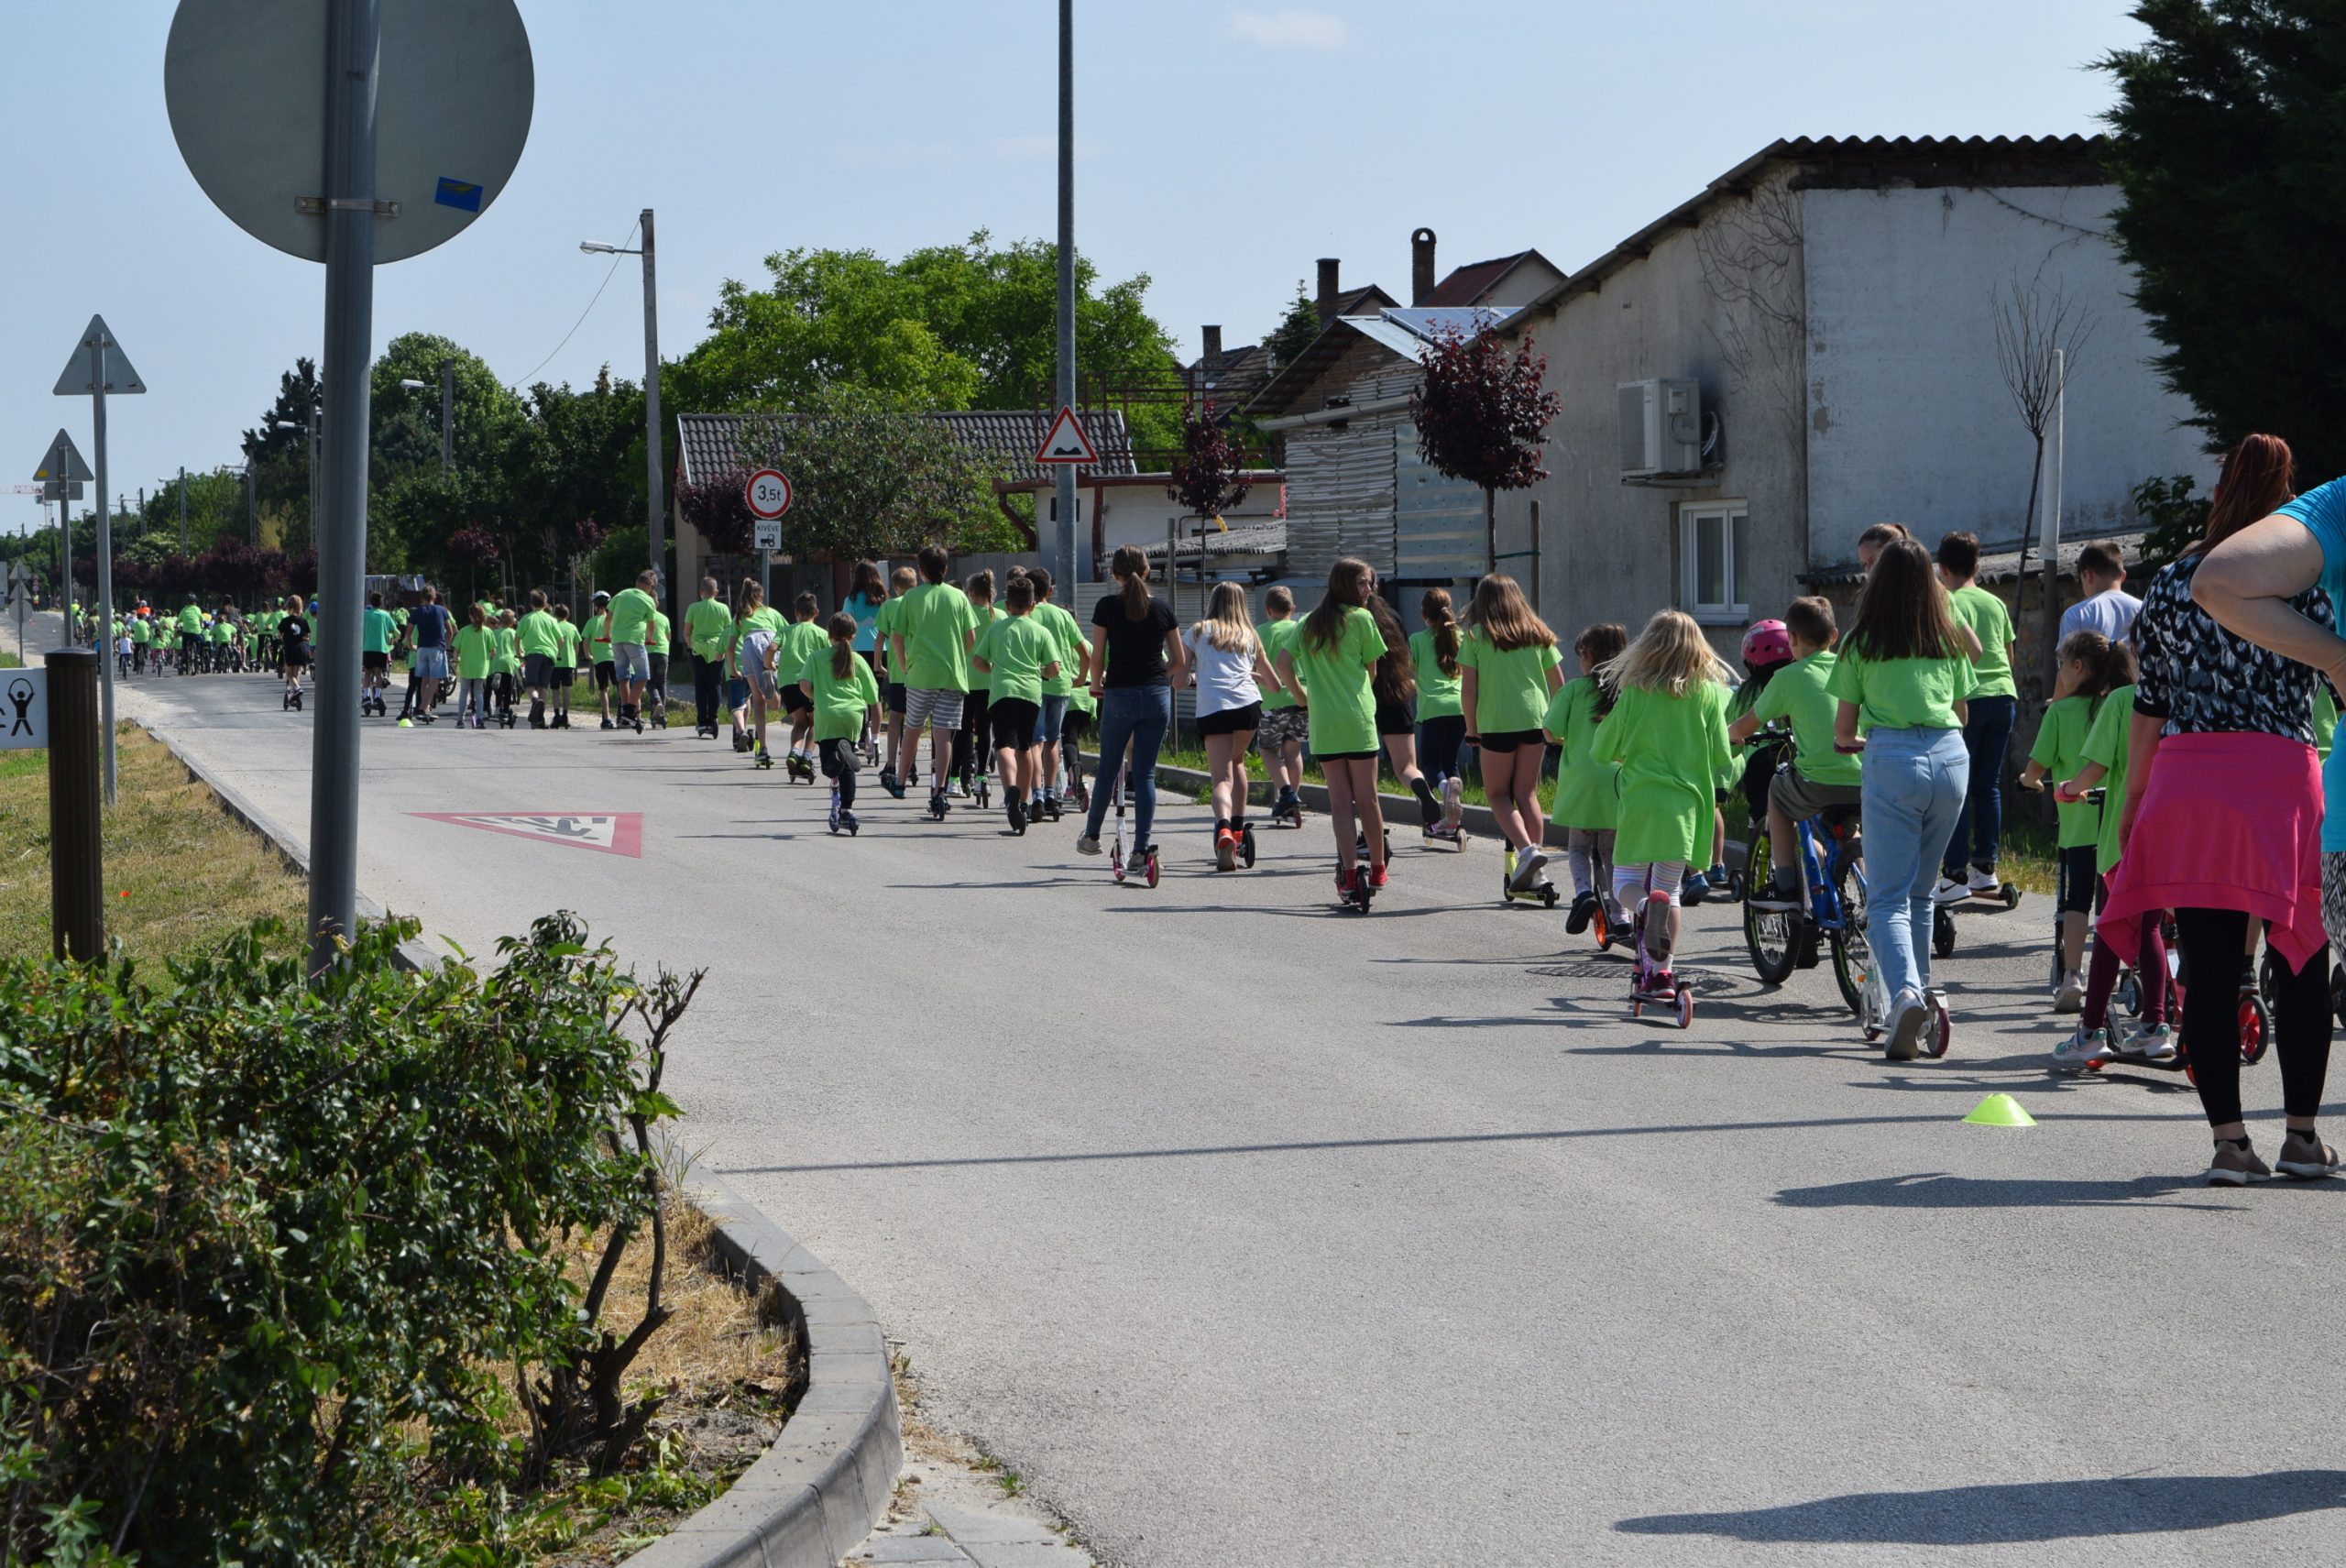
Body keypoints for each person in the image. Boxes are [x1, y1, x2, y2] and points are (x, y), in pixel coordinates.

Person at [2100, 433, 2337, 1184]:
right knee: (2301, 956)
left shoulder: (2173, 583)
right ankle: (2302, 1137)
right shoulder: (2310, 578)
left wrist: (2134, 800)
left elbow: (2151, 703)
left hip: (2189, 780)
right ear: (2290, 500)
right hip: (2279, 779)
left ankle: (2230, 1144)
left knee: (2206, 968)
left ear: (2218, 491)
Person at [1827, 537, 1977, 1060]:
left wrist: (1859, 741)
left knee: (1887, 898)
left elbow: (1843, 730)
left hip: (1892, 761)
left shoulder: (1861, 642)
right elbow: (1961, 713)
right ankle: (1922, 996)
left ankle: (1907, 997)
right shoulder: (1946, 637)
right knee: (1921, 891)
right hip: (1951, 760)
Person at [1594, 610, 1736, 994]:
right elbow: (1721, 756)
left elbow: (1602, 749)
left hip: (1642, 802)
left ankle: (1643, 908)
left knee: (1625, 882)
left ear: (1648, 648)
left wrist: (1624, 753)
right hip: (1685, 807)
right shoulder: (1708, 695)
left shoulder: (1636, 693)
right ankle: (1662, 975)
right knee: (1669, 890)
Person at [1732, 599, 1865, 916]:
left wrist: (1728, 735)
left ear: (1791, 638)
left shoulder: (1788, 677)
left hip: (1817, 783)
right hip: (1864, 779)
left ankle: (1785, 885)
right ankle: (1866, 893)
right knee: (1848, 830)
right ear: (1834, 635)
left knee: (1777, 793)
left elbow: (1746, 725)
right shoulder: (1853, 668)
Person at [2020, 630, 2121, 1014]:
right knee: (2113, 901)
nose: (2059, 671)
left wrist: (2029, 782)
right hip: (2116, 822)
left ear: (2077, 666)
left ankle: (2073, 974)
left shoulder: (2060, 713)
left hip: (2079, 826)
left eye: (2062, 664)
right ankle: (2119, 969)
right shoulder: (2114, 705)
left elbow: (2035, 769)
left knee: (2076, 900)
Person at [1281, 558, 1392, 897]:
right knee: (1368, 798)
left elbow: (1284, 663)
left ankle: (1349, 872)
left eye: (1369, 582)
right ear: (1345, 585)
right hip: (1358, 719)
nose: (1368, 589)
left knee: (1340, 802)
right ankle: (1378, 868)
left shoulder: (1309, 622)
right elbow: (1372, 669)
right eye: (1362, 583)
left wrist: (1302, 697)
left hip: (1325, 722)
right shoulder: (1362, 618)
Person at [1459, 574, 1564, 893]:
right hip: (1535, 720)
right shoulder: (1537, 633)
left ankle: (1527, 851)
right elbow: (1559, 684)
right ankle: (1537, 873)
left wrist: (1471, 728)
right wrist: (1558, 723)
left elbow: (1469, 689)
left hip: (1497, 722)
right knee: (1527, 793)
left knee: (1497, 795)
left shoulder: (1476, 636)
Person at [1078, 544, 1184, 859]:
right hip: (1156, 695)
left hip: (1119, 694)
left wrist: (1095, 684)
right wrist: (1159, 676)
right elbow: (1179, 660)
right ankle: (1140, 849)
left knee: (1109, 768)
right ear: (1147, 571)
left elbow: (1097, 657)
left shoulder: (1107, 607)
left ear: (1114, 574)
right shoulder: (1163, 609)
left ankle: (1092, 836)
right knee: (1145, 773)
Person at [1932, 532, 2017, 904]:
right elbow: (2009, 656)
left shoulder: (1948, 602)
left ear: (1942, 568)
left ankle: (1954, 873)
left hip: (1969, 699)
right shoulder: (1995, 602)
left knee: (1957, 788)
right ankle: (1986, 868)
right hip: (2004, 697)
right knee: (1988, 785)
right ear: (1978, 566)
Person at [1181, 581, 1276, 868]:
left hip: (1214, 707)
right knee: (1238, 761)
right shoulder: (1250, 635)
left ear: (1213, 602)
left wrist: (1193, 679)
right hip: (1248, 706)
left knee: (1222, 778)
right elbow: (1274, 684)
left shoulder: (1197, 631)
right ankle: (1238, 830)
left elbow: (1178, 680)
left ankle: (1223, 828)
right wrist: (1252, 676)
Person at [1546, 623, 1628, 935]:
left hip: (1582, 782)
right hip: (1616, 780)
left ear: (1590, 657)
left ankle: (1583, 895)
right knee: (1611, 852)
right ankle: (1621, 917)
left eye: (1581, 655)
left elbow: (1550, 731)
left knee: (1579, 847)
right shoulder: (1628, 692)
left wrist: (1562, 738)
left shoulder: (1573, 690)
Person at [891, 545, 981, 815]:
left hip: (920, 674)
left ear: (921, 571)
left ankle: (900, 782)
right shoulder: (958, 597)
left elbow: (897, 637)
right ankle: (940, 790)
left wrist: (904, 664)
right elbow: (971, 638)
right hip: (952, 675)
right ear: (945, 569)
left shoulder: (911, 597)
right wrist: (957, 654)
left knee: (913, 728)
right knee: (943, 733)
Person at [971, 573, 1062, 832]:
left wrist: (994, 671)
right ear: (1033, 605)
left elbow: (978, 661)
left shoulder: (996, 628)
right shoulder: (1040, 631)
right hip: (1030, 694)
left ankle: (1010, 790)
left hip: (1002, 692)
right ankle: (1022, 801)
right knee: (1025, 747)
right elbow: (1054, 669)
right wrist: (1040, 673)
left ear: (1008, 605)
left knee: (1004, 746)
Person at [801, 611, 881, 834]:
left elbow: (804, 685)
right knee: (847, 770)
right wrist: (874, 736)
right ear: (853, 635)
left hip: (828, 715)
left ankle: (837, 756)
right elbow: (873, 697)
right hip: (853, 717)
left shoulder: (816, 658)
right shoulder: (858, 661)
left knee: (830, 767)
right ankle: (846, 811)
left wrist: (817, 695)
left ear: (829, 634)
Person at [1366, 592, 1433, 829]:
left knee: (1364, 776)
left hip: (1364, 697)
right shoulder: (1392, 616)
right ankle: (1419, 786)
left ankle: (1371, 832)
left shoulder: (1352, 620)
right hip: (1396, 693)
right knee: (1406, 767)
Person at [1029, 567, 1087, 819]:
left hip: (1035, 684)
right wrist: (1081, 678)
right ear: (1050, 591)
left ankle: (1037, 796)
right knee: (1053, 741)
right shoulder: (1063, 615)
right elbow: (1085, 652)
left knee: (1035, 742)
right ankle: (1052, 793)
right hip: (1062, 684)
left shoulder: (1029, 614)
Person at [1411, 589, 1467, 842]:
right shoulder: (1462, 637)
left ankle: (1445, 791)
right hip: (1460, 708)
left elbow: (1410, 674)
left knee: (1431, 766)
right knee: (1450, 764)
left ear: (1424, 614)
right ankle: (1451, 821)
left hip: (1434, 709)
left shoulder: (1417, 640)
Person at [1254, 586, 1310, 824]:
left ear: (1268, 610)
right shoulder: (1300, 630)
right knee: (1293, 750)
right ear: (1292, 609)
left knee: (1267, 749)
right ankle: (1291, 804)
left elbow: (1254, 666)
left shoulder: (1259, 632)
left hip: (1273, 700)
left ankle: (1287, 794)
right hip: (1302, 697)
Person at [956, 571, 1003, 799]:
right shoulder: (1000, 616)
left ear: (971, 592)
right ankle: (982, 777)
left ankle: (959, 776)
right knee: (985, 729)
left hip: (964, 679)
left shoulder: (963, 614)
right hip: (990, 679)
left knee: (962, 729)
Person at [729, 580, 785, 765]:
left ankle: (762, 750)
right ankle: (771, 685)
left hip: (748, 647)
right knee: (775, 704)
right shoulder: (771, 612)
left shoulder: (741, 615)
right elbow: (787, 633)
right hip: (768, 644)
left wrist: (733, 668)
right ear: (761, 596)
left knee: (758, 701)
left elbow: (730, 648)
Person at [775, 591, 828, 774]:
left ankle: (794, 752)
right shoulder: (822, 634)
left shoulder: (785, 631)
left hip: (787, 684)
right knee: (815, 723)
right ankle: (806, 756)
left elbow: (771, 647)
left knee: (799, 722)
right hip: (810, 684)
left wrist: (768, 664)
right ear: (816, 612)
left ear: (796, 612)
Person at [874, 565, 917, 784]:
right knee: (914, 720)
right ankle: (911, 764)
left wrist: (878, 665)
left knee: (895, 717)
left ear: (895, 586)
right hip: (917, 670)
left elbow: (880, 638)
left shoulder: (889, 606)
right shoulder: (919, 603)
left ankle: (891, 763)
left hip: (897, 671)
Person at [2058, 539, 2142, 647]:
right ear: (2123, 576)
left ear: (2088, 575)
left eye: (2080, 579)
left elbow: (2068, 656)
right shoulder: (2143, 608)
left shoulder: (2075, 615)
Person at [606, 570, 660, 733]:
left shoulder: (621, 595)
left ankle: (625, 714)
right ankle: (630, 710)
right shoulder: (648, 600)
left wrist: (606, 634)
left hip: (617, 640)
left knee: (623, 677)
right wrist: (649, 638)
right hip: (634, 639)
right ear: (650, 586)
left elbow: (608, 617)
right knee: (643, 676)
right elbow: (651, 625)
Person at [684, 576, 734, 739]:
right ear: (716, 592)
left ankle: (701, 720)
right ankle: (713, 718)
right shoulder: (723, 608)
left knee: (700, 685)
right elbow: (729, 631)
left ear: (701, 592)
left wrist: (691, 646)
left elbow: (687, 632)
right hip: (717, 649)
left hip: (698, 648)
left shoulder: (693, 608)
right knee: (715, 684)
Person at [518, 591, 561, 728]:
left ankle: (535, 701)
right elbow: (561, 639)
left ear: (531, 604)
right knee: (543, 686)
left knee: (530, 685)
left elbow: (517, 637)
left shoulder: (526, 619)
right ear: (545, 604)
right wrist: (556, 652)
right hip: (549, 655)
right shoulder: (551, 619)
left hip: (533, 653)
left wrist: (519, 652)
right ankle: (540, 718)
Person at [452, 603, 494, 729]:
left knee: (464, 692)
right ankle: (480, 718)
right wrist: (489, 657)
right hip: (481, 666)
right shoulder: (487, 631)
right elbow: (493, 651)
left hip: (466, 666)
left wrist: (456, 659)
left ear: (470, 616)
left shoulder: (464, 631)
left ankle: (460, 719)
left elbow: (456, 649)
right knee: (479, 692)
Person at [582, 590, 617, 729]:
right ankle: (623, 713)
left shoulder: (591, 622)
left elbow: (585, 641)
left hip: (599, 659)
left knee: (603, 689)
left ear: (595, 606)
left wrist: (587, 655)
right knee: (619, 685)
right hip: (613, 656)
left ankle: (606, 718)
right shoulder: (613, 620)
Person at [360, 591, 397, 711]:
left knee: (367, 672)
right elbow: (394, 630)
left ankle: (366, 696)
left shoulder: (365, 614)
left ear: (371, 602)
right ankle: (377, 696)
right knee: (378, 673)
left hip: (367, 647)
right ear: (381, 603)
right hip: (381, 648)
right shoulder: (385, 615)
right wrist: (392, 642)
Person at [550, 602, 581, 729]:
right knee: (566, 689)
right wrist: (574, 656)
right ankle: (565, 715)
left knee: (555, 689)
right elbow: (576, 645)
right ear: (567, 615)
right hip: (569, 662)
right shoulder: (572, 627)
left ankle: (556, 715)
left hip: (555, 662)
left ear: (555, 614)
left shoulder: (553, 626)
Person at [277, 593, 312, 704]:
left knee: (289, 673)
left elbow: (278, 635)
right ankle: (295, 696)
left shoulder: (285, 621)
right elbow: (307, 636)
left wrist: (280, 637)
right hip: (301, 648)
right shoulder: (303, 621)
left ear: (288, 606)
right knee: (295, 674)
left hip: (290, 648)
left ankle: (297, 688)